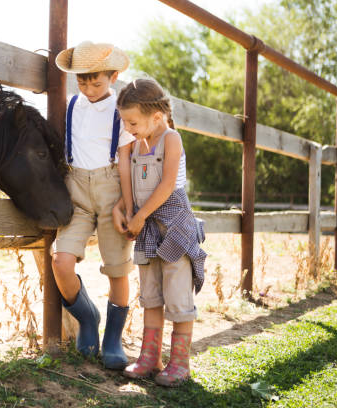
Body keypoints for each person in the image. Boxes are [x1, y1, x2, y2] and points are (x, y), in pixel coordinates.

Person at [113, 77, 207, 386]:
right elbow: (126, 176)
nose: (128, 127)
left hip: (174, 227)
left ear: (156, 117)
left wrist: (140, 215)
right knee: (151, 294)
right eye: (124, 121)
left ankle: (180, 362)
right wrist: (129, 212)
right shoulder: (135, 143)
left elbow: (167, 185)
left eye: (133, 121)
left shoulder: (170, 139)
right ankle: (150, 357)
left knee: (178, 296)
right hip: (146, 226)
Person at [52, 41, 135, 370]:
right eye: (82, 80)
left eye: (96, 81)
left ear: (113, 77)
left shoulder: (121, 109)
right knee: (61, 261)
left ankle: (113, 338)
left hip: (112, 190)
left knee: (117, 269)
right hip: (77, 191)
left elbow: (126, 163)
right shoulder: (73, 105)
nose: (88, 87)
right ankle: (88, 318)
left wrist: (127, 204)